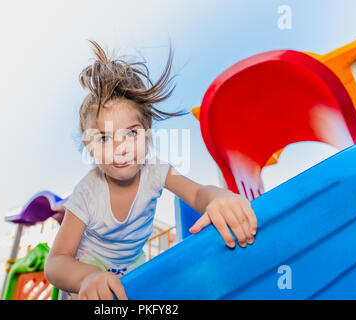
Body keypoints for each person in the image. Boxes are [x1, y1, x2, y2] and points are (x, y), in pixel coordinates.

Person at [44, 40, 257, 300]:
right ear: (90, 149)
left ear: (148, 137)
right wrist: (86, 276)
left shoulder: (157, 171)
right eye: (104, 138)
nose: (119, 148)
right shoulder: (87, 192)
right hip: (87, 269)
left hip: (133, 266)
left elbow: (198, 194)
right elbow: (56, 261)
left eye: (131, 133)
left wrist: (218, 198)